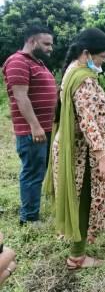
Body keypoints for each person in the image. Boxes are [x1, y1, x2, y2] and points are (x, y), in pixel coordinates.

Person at [44, 28, 105, 269]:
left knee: (80, 198)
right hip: (82, 155)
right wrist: (102, 156)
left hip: (78, 149)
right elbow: (87, 120)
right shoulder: (83, 78)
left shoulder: (74, 72)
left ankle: (80, 246)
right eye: (102, 57)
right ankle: (77, 257)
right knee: (83, 199)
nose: (104, 61)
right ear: (87, 53)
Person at [2, 25, 56, 225]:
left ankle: (32, 211)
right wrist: (35, 126)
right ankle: (29, 218)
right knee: (33, 173)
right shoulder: (18, 62)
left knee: (38, 171)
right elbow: (20, 96)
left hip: (45, 128)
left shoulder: (38, 62)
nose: (51, 48)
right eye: (46, 44)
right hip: (33, 131)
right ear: (32, 41)